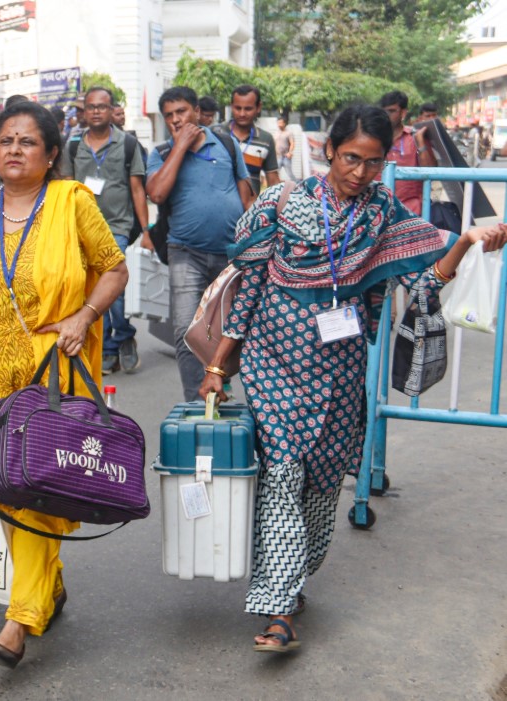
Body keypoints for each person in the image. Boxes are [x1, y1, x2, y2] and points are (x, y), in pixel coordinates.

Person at [197, 104, 507, 654]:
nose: (359, 173)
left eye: (372, 162)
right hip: (274, 363)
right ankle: (279, 606)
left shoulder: (383, 213)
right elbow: (247, 289)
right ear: (327, 152)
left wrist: (465, 243)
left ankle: (295, 573)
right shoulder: (281, 203)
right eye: (349, 159)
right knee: (283, 472)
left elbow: (425, 279)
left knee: (322, 480)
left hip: (340, 368)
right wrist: (220, 365)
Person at [0, 100, 127, 670]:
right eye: (6, 140)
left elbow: (114, 268)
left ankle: (20, 619)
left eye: (28, 142)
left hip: (52, 373)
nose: (14, 150)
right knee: (2, 487)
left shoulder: (72, 205)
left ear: (51, 154)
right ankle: (49, 585)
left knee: (35, 490)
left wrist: (85, 316)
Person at [146, 86, 251, 401]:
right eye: (169, 116)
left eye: (181, 112)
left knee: (233, 330)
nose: (176, 120)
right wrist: (180, 147)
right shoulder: (161, 153)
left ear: (196, 112)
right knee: (186, 333)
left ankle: (223, 383)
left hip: (231, 253)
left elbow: (245, 192)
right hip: (185, 253)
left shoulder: (226, 144)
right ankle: (197, 400)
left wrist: (252, 238)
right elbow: (157, 194)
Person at [66, 86, 150, 375]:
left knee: (111, 282)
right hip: (79, 229)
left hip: (117, 226)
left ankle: (119, 340)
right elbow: (65, 189)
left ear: (111, 109)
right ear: (84, 113)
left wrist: (147, 232)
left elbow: (138, 190)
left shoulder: (128, 144)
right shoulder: (72, 146)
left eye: (102, 106)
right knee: (88, 286)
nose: (97, 111)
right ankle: (114, 344)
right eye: (91, 107)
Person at [215, 84, 280, 195]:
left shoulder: (266, 140)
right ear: (232, 106)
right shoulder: (215, 133)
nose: (242, 114)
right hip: (218, 209)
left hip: (250, 210)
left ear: (258, 107)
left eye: (248, 109)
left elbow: (273, 181)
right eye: (238, 108)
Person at [379, 91, 436, 215]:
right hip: (378, 209)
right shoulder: (374, 137)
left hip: (411, 211)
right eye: (384, 111)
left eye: (392, 111)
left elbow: (430, 171)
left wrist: (420, 142)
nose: (386, 115)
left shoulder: (415, 137)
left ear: (403, 113)